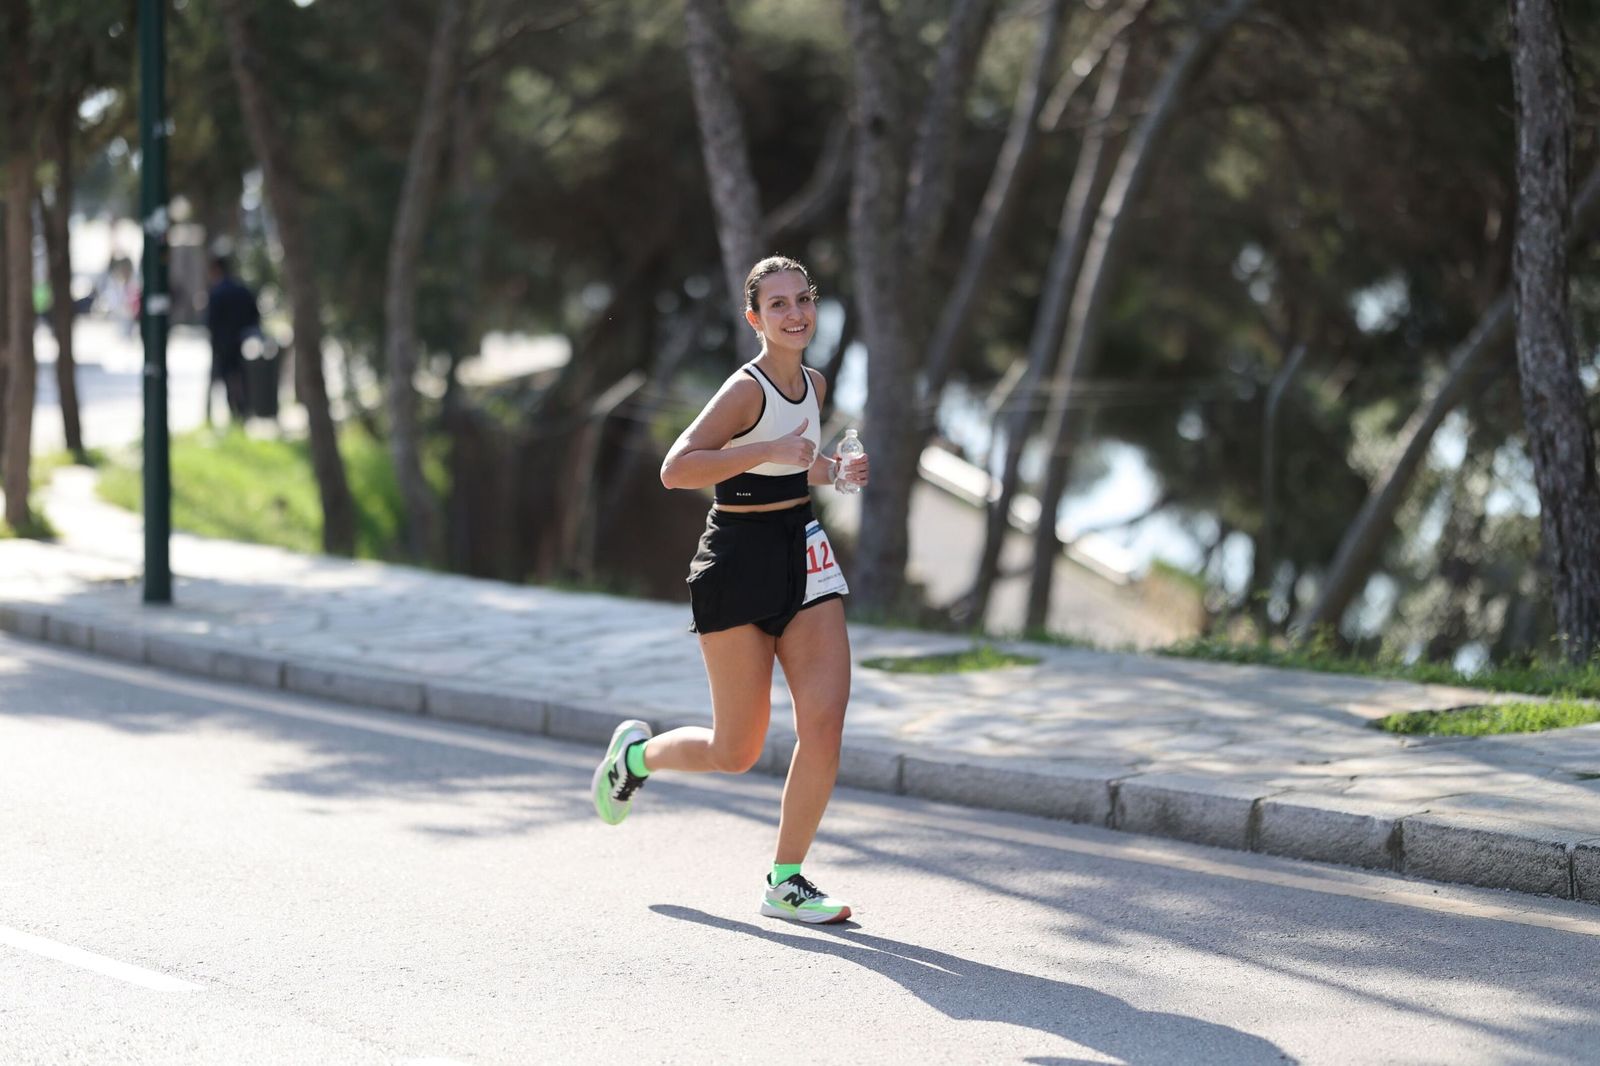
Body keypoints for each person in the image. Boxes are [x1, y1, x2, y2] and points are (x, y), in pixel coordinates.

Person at [592, 255, 870, 924]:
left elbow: (794, 469)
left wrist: (837, 471)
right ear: (755, 319)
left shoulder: (815, 384)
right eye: (777, 305)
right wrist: (758, 450)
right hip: (736, 562)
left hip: (803, 555)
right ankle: (636, 757)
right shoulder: (745, 391)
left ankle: (787, 879)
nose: (795, 313)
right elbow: (677, 469)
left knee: (824, 724)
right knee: (736, 750)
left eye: (803, 299)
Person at [204, 255, 260, 424]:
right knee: (240, 378)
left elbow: (211, 321)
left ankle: (236, 413)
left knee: (229, 379)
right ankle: (242, 411)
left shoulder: (217, 292)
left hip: (224, 344)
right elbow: (254, 316)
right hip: (241, 342)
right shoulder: (241, 290)